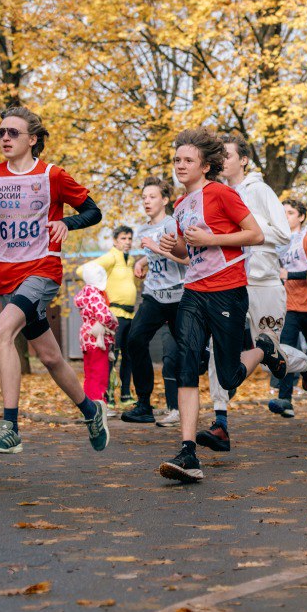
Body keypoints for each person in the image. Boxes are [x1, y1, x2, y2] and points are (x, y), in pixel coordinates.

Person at [0, 106, 109, 455]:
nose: (5, 138)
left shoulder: (53, 175)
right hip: (7, 277)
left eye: (13, 132)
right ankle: (91, 411)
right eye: (1, 133)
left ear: (32, 139)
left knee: (1, 331)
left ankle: (9, 427)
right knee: (50, 356)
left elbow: (93, 211)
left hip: (43, 271)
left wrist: (66, 224)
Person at [156, 128, 286, 482]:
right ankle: (187, 452)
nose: (180, 166)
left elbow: (256, 235)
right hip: (195, 292)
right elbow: (189, 252)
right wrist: (174, 247)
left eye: (188, 160)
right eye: (177, 160)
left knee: (228, 376)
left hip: (229, 291)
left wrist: (211, 238)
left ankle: (261, 348)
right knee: (186, 363)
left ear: (206, 165)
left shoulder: (222, 194)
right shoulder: (181, 205)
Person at [203, 133, 307, 437]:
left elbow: (282, 234)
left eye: (226, 154)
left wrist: (245, 229)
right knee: (217, 349)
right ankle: (220, 420)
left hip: (263, 283)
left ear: (243, 159)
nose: (221, 160)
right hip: (228, 282)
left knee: (269, 357)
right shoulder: (214, 193)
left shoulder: (260, 191)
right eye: (217, 156)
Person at [122, 177, 186, 426]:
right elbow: (151, 254)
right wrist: (141, 261)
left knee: (183, 351)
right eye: (144, 198)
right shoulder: (144, 230)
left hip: (178, 296)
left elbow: (187, 260)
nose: (147, 202)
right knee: (135, 340)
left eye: (152, 197)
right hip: (154, 295)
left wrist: (157, 249)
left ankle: (181, 406)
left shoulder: (173, 225)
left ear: (165, 200)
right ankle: (144, 404)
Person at [273, 199, 307, 416]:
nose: (286, 216)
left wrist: (291, 275)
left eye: (291, 212)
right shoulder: (280, 242)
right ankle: (285, 400)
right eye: (282, 212)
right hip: (290, 306)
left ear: (301, 217)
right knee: (285, 350)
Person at [96, 225, 138, 406]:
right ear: (115, 241)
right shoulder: (110, 257)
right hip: (115, 315)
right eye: (123, 238)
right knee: (113, 356)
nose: (127, 242)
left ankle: (126, 394)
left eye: (129, 239)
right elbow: (89, 270)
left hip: (130, 314)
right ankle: (108, 395)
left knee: (129, 356)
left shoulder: (131, 260)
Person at [75, 262, 117, 403]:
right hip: (96, 337)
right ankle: (98, 404)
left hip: (86, 336)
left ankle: (89, 404)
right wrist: (113, 322)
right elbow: (104, 315)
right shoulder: (94, 293)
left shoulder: (84, 293)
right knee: (100, 373)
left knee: (90, 373)